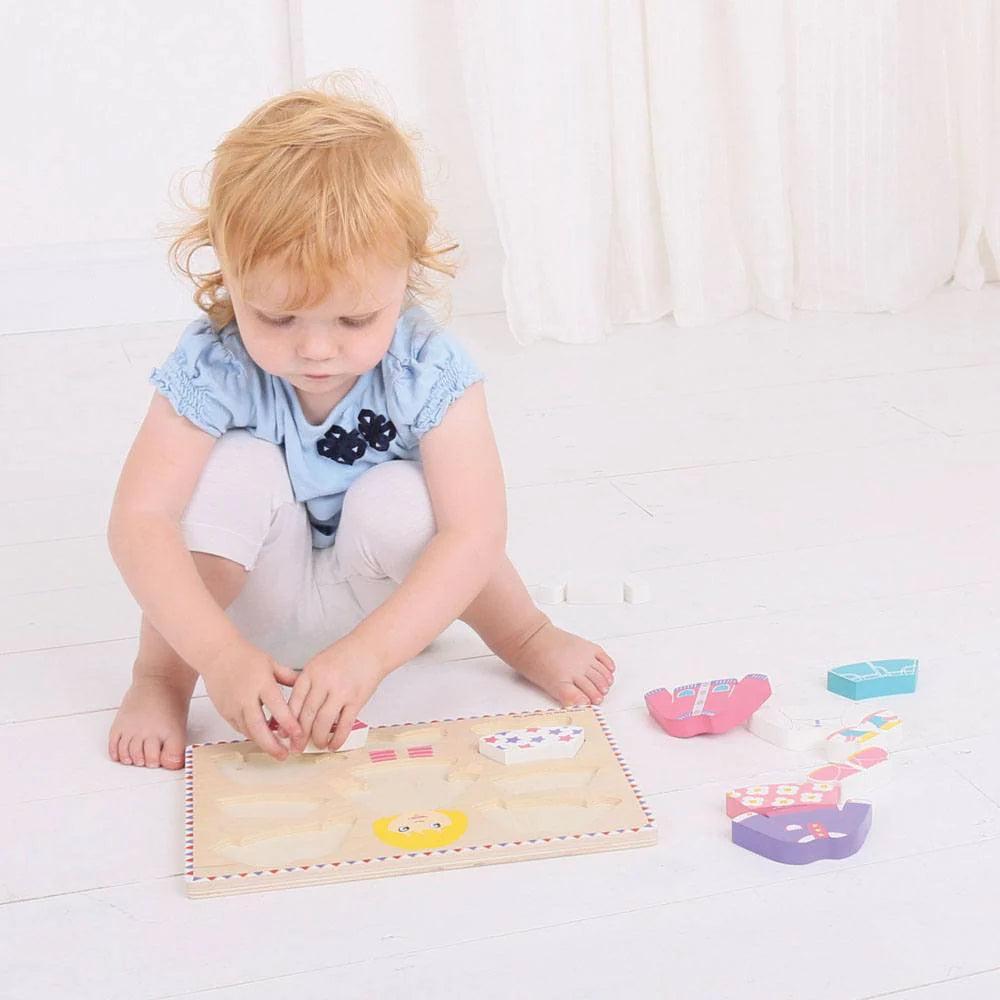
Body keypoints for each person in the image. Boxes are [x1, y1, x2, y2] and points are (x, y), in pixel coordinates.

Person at [107, 76, 615, 771]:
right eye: (277, 317)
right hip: (251, 608)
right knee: (234, 469)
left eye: (354, 319)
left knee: (406, 498)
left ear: (405, 275)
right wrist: (220, 657)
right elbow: (140, 520)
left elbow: (476, 534)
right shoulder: (216, 364)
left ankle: (526, 636)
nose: (316, 350)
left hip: (385, 607)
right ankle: (160, 678)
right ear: (228, 276)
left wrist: (368, 655)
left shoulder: (426, 369)